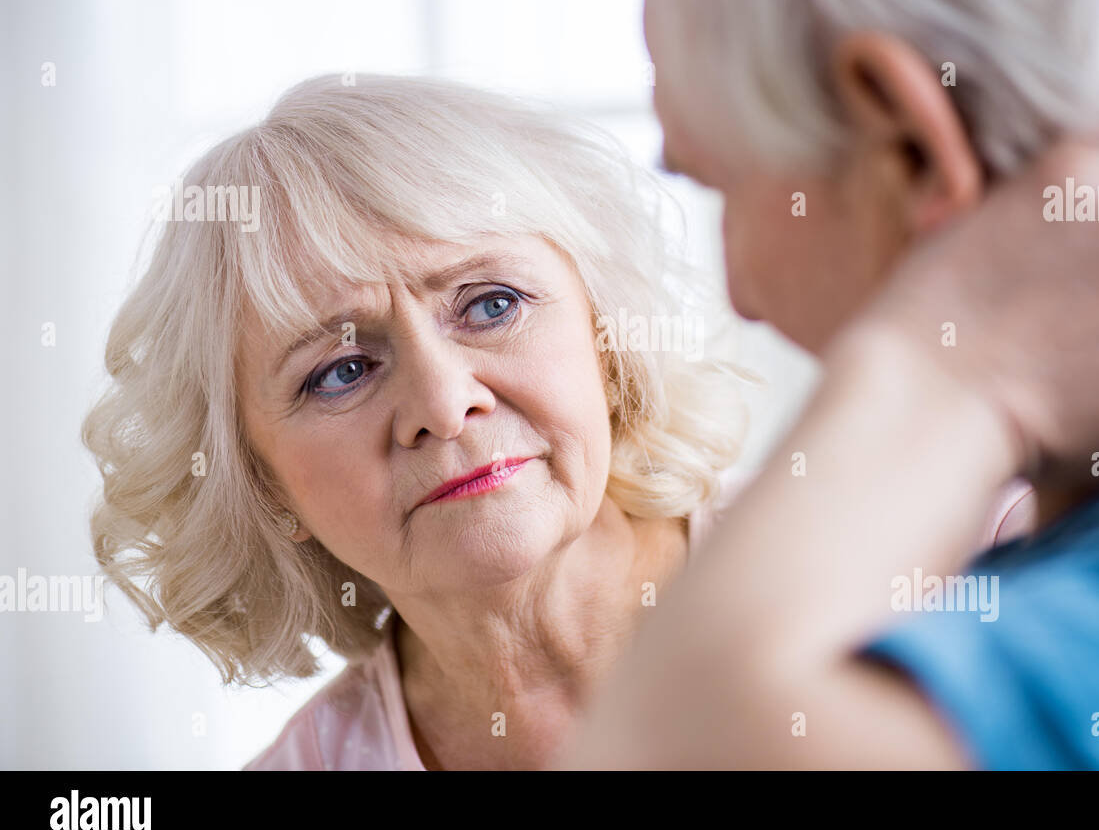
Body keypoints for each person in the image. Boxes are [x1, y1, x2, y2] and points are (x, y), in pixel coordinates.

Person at [560, 0, 1099, 768]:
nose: (740, 292)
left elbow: (670, 750)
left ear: (909, 143)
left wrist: (958, 367)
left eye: (721, 184)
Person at [82, 75, 755, 769]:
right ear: (265, 486)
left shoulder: (846, 559)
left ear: (606, 340)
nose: (442, 403)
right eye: (342, 370)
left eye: (492, 305)